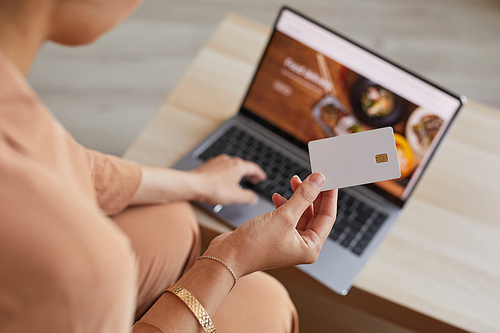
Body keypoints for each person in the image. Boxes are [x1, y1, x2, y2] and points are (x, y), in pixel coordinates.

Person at [0, 0, 338, 332]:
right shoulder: (90, 272)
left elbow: (68, 162)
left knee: (171, 217)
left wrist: (193, 183)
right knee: (267, 303)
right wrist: (230, 257)